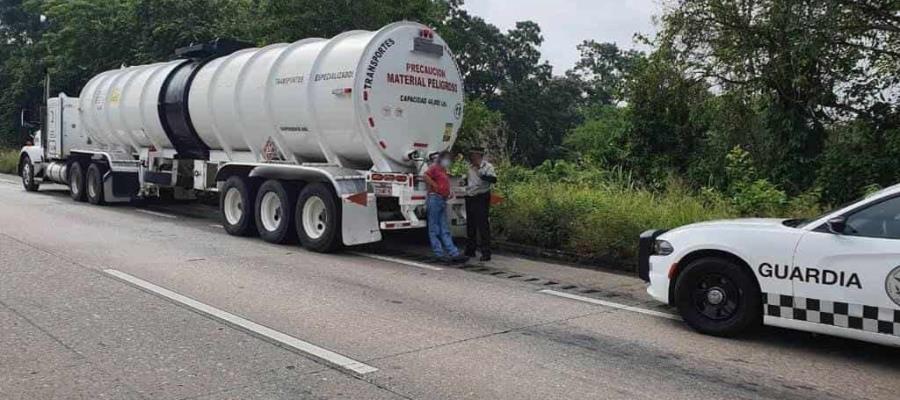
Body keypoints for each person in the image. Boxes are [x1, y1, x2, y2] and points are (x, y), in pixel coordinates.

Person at [423, 151, 467, 264]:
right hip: (435, 198)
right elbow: (426, 175)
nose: (448, 161)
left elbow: (445, 182)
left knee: (444, 228)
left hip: (442, 199)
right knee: (434, 228)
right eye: (446, 159)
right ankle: (439, 253)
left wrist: (449, 191)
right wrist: (435, 186)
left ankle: (453, 253)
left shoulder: (443, 170)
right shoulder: (434, 167)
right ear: (441, 159)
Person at [464, 147, 497, 261]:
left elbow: (493, 180)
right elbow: (468, 180)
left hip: (482, 196)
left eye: (474, 155)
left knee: (483, 225)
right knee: (471, 224)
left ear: (479, 156)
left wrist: (480, 170)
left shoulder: (487, 167)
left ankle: (486, 252)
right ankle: (470, 250)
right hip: (470, 196)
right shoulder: (469, 167)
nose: (472, 157)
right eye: (471, 155)